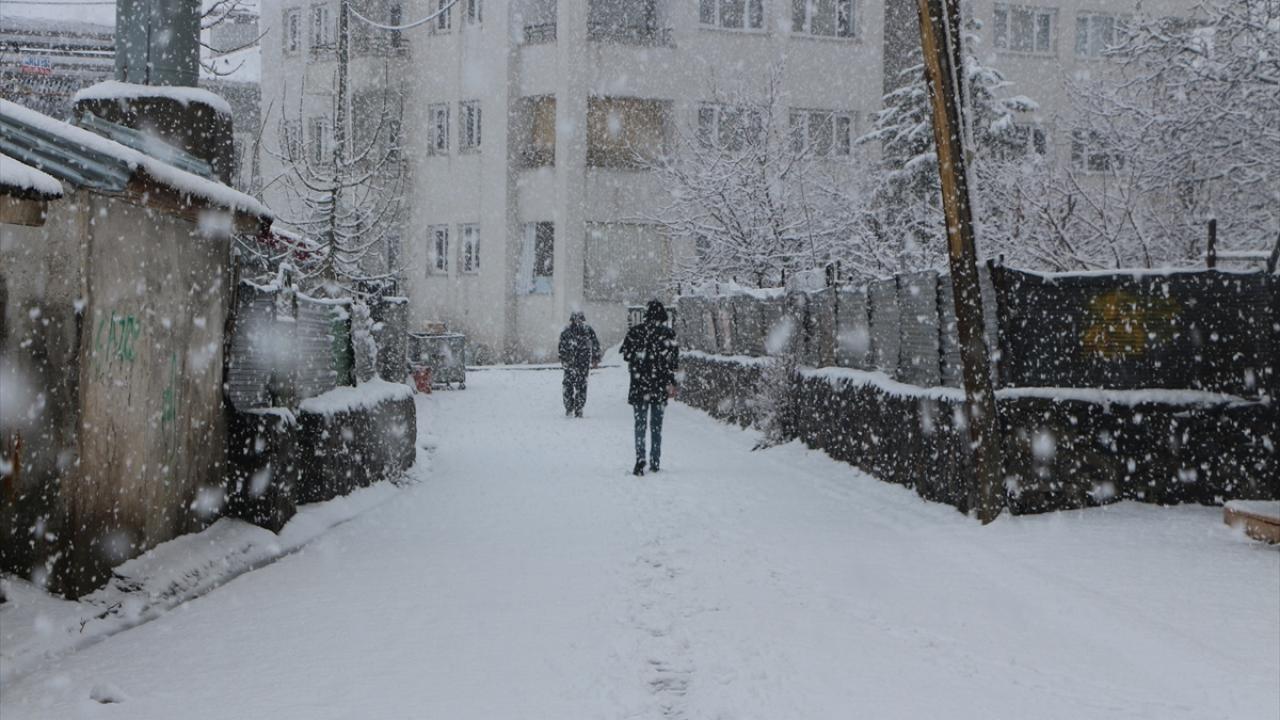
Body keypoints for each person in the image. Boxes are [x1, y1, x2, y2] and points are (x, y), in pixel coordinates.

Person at [621, 300, 679, 476]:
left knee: (640, 424)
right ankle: (655, 460)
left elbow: (626, 355)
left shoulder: (635, 332)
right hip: (659, 385)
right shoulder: (668, 334)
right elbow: (672, 364)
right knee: (656, 426)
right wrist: (671, 383)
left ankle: (640, 457)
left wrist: (639, 362)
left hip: (639, 385)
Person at [558, 310, 601, 417]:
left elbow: (595, 343)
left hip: (580, 362)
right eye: (576, 319)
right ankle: (572, 407)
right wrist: (563, 359)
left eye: (580, 320)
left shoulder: (586, 330)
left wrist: (595, 358)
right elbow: (561, 347)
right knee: (572, 385)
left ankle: (577, 408)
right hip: (575, 362)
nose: (578, 322)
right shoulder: (567, 331)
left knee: (578, 385)